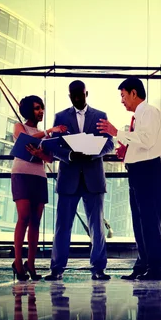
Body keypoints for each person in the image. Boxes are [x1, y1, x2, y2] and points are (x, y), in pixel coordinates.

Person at [97, 77, 161, 281]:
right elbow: (141, 142)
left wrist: (115, 132)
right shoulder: (138, 117)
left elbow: (147, 140)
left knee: (149, 220)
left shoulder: (150, 112)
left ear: (134, 93)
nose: (122, 101)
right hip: (138, 170)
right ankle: (143, 264)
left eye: (123, 95)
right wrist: (126, 151)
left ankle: (156, 267)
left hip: (148, 170)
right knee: (139, 221)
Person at [44, 81, 114, 281]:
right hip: (68, 178)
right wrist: (70, 156)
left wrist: (92, 152)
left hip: (93, 178)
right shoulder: (60, 117)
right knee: (62, 226)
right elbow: (54, 147)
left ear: (87, 93)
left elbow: (109, 143)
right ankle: (57, 269)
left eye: (80, 94)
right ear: (69, 96)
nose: (77, 98)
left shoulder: (100, 116)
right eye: (73, 95)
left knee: (97, 226)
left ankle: (99, 269)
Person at [11, 95, 67, 281]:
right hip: (21, 175)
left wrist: (39, 153)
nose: (41, 111)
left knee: (35, 221)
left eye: (42, 108)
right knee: (24, 216)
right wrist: (48, 131)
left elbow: (50, 159)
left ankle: (31, 263)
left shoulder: (46, 135)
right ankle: (18, 262)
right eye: (36, 108)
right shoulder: (20, 127)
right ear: (28, 110)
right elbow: (24, 139)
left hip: (39, 177)